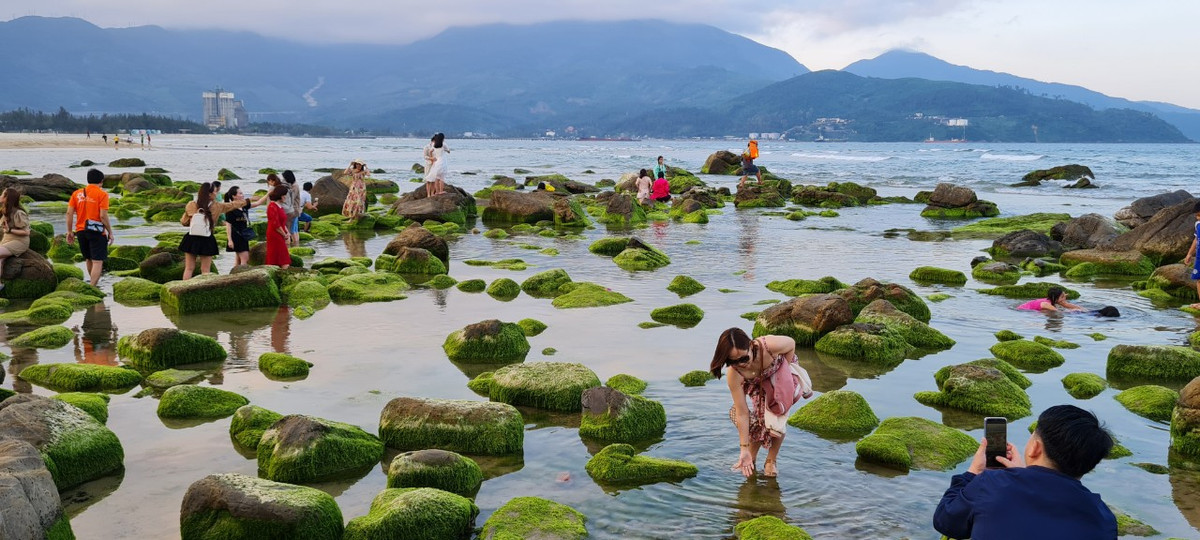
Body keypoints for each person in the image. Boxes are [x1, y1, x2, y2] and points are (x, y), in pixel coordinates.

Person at [933, 405, 1117, 539]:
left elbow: (946, 521)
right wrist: (1023, 473)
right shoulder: (1104, 518)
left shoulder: (992, 483)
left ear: (1034, 448)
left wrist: (973, 472)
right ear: (1091, 465)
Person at [710, 328, 810, 478]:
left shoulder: (769, 346)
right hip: (756, 383)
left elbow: (791, 344)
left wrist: (785, 374)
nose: (740, 364)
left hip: (778, 372)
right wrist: (742, 449)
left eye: (744, 359)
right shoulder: (734, 374)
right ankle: (750, 456)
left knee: (776, 419)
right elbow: (742, 412)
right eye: (732, 361)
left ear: (751, 346)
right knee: (755, 420)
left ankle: (771, 461)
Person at [179, 182, 249, 279]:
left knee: (189, 268)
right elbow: (233, 205)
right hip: (207, 238)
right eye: (215, 191)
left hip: (192, 237)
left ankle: (184, 289)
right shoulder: (217, 206)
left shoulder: (191, 204)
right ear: (209, 194)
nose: (216, 193)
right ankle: (204, 290)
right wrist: (249, 200)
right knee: (205, 270)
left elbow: (184, 222)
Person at [66, 168, 114, 286]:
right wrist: (110, 232)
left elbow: (69, 213)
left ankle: (93, 284)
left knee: (88, 258)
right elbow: (103, 216)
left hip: (81, 231)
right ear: (101, 181)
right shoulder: (102, 194)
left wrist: (69, 231)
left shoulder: (76, 194)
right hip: (96, 231)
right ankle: (92, 287)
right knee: (97, 261)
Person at [0, 188, 31, 292]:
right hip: (7, 239)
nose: (0, 196)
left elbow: (26, 232)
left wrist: (10, 230)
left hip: (19, 241)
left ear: (8, 198)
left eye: (2, 195)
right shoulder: (4, 210)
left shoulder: (19, 213)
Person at [223, 186, 258, 266]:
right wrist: (230, 240)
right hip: (237, 236)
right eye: (240, 193)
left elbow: (257, 203)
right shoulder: (230, 208)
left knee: (238, 260)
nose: (243, 195)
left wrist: (268, 195)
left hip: (244, 236)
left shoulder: (243, 206)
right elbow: (228, 225)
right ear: (234, 196)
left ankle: (233, 276)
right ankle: (242, 276)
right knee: (245, 259)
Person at [265, 185, 291, 269]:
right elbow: (275, 224)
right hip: (274, 234)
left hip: (280, 232)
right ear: (280, 196)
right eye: (285, 195)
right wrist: (284, 235)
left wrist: (287, 232)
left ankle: (282, 272)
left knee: (283, 255)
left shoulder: (280, 206)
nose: (286, 197)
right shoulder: (272, 206)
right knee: (280, 257)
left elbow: (282, 222)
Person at [1016, 287, 1084, 312]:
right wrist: (1074, 311)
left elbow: (1067, 305)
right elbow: (1058, 312)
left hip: (1026, 308)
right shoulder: (1046, 304)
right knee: (1048, 313)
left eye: (1064, 295)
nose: (1065, 298)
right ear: (1055, 298)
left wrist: (1083, 309)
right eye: (1062, 296)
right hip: (1022, 310)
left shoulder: (1052, 300)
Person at [282, 170, 303, 246]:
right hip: (296, 210)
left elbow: (291, 198)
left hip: (294, 210)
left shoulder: (294, 186)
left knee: (292, 230)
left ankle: (295, 245)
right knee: (295, 229)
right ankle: (297, 244)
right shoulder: (294, 185)